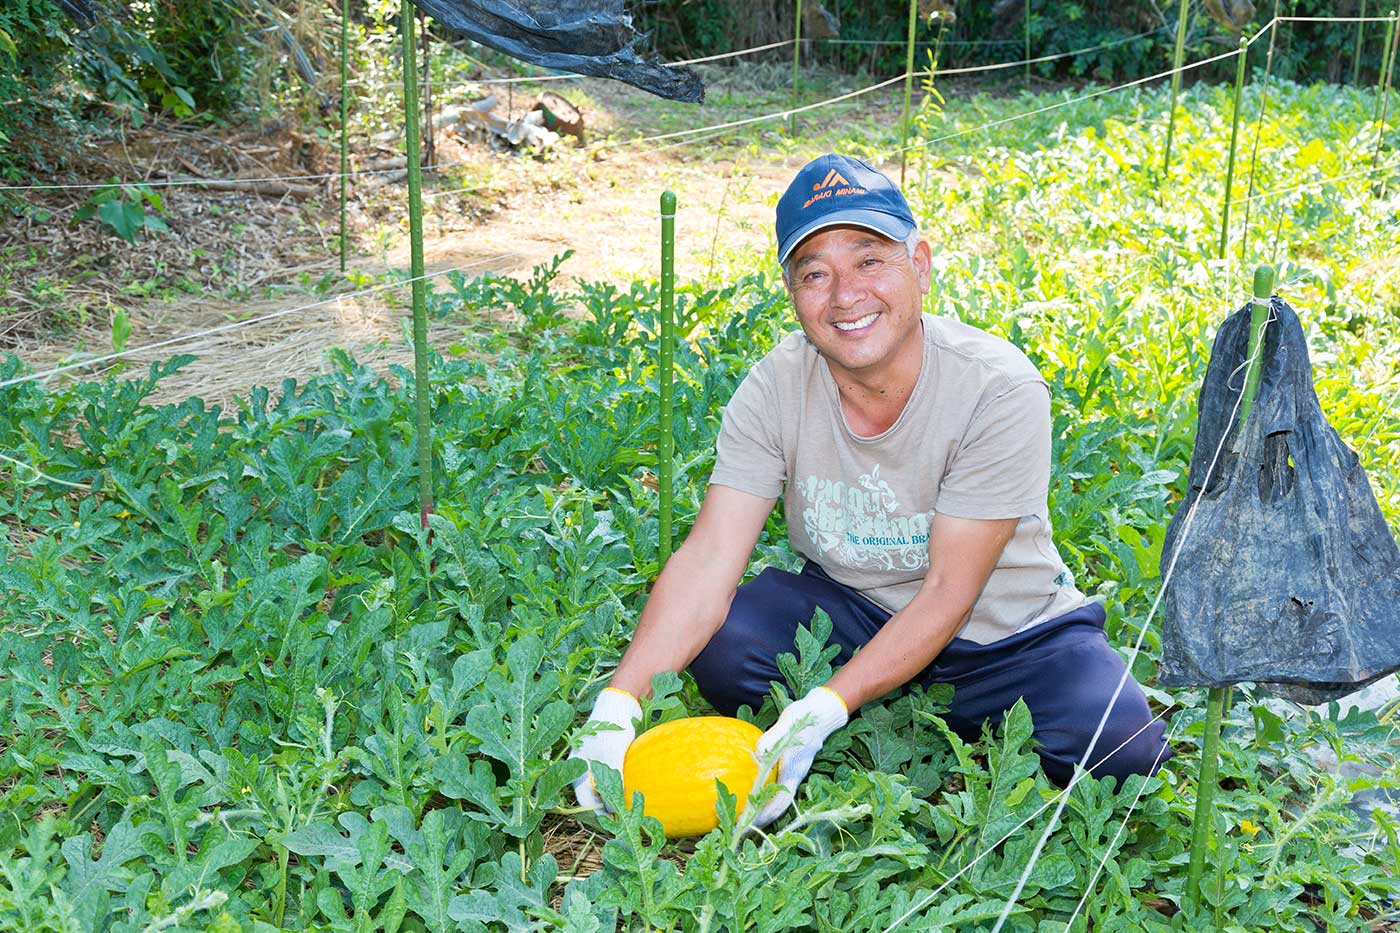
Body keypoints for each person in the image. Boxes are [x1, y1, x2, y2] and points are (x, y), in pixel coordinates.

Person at [570, 154, 1170, 827]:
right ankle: (883, 705)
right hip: (853, 611)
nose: (845, 295)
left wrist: (825, 704)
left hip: (1003, 636)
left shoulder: (996, 388)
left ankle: (881, 708)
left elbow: (948, 593)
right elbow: (710, 557)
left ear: (920, 263)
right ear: (792, 295)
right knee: (725, 644)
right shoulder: (774, 388)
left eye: (869, 260)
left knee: (1121, 750)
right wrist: (616, 707)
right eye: (814, 274)